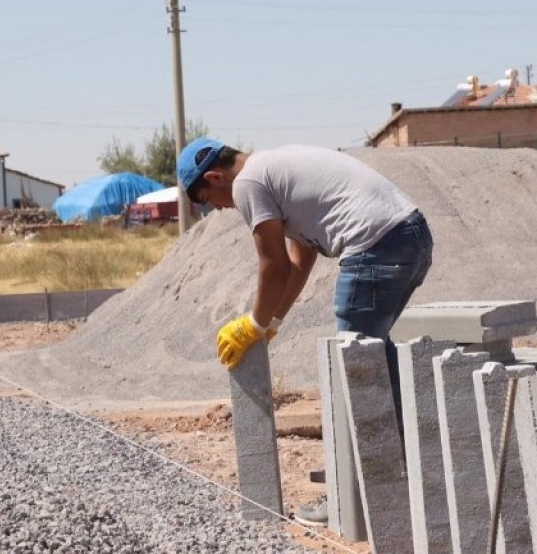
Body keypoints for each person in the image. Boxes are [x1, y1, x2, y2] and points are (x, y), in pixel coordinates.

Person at [177, 138, 433, 526]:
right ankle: (409, 471)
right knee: (376, 358)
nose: (217, 207)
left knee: (359, 371)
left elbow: (273, 266)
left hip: (375, 246)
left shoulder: (247, 183)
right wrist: (273, 321)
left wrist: (254, 324)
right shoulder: (273, 168)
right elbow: (301, 258)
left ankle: (357, 499)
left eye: (208, 198)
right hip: (411, 236)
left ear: (214, 176)